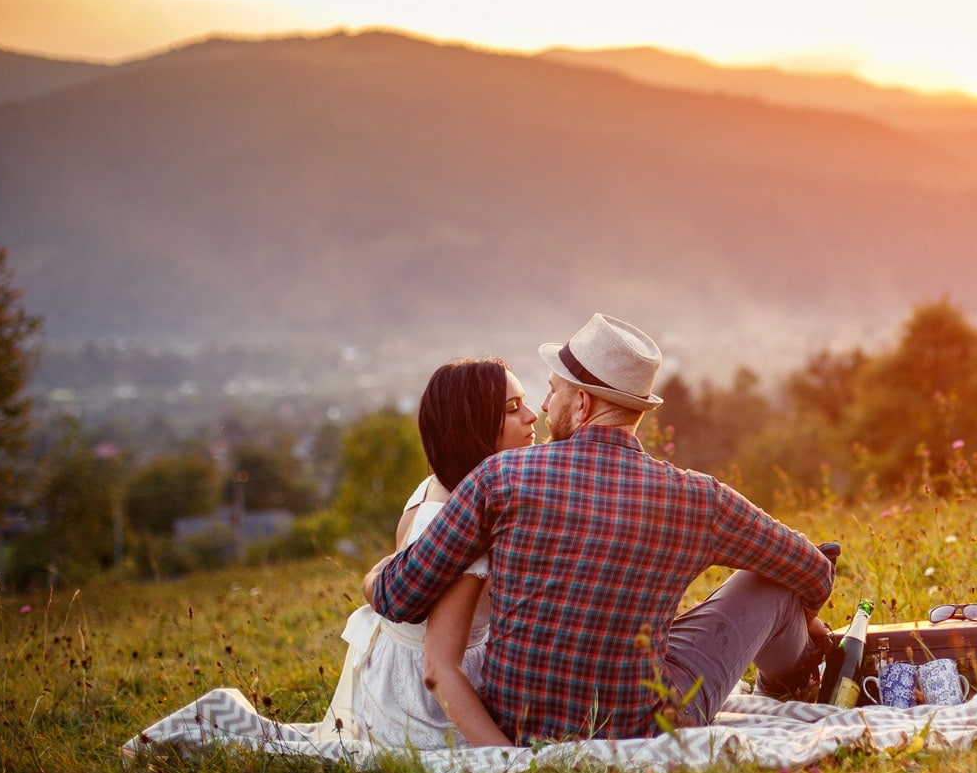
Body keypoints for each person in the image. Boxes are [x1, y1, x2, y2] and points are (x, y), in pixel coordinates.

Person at [366, 313, 835, 745]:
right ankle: (790, 683)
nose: (544, 406)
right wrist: (806, 617)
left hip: (515, 723)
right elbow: (812, 570)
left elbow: (398, 598)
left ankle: (793, 675)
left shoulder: (498, 477)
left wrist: (377, 572)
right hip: (639, 730)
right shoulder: (699, 497)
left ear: (582, 403)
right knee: (774, 583)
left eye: (553, 392)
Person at [326, 357, 537, 748]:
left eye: (523, 402)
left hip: (391, 670)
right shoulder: (457, 529)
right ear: (472, 427)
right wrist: (510, 761)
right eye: (512, 409)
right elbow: (438, 669)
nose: (531, 416)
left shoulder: (434, 485)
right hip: (424, 703)